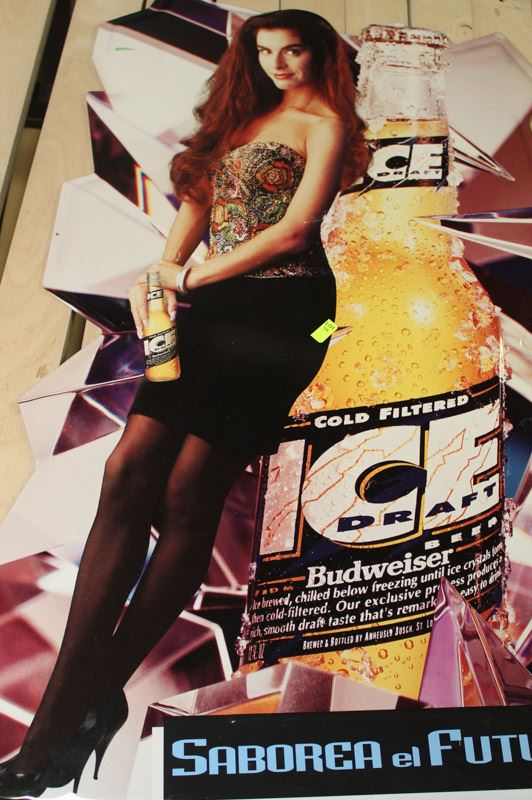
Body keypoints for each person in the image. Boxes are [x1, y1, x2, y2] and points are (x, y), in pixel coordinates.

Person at [0, 9, 369, 798]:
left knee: (187, 491)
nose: (278, 64)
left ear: (319, 55)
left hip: (283, 314)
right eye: (264, 51)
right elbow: (198, 201)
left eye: (293, 50)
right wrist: (162, 279)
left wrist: (191, 276)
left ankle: (57, 721)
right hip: (207, 311)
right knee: (128, 473)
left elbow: (295, 232)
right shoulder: (241, 118)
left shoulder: (326, 123)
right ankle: (82, 702)